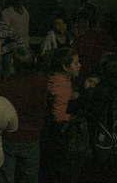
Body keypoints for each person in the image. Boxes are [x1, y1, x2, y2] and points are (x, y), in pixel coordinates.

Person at [0, 51, 47, 183]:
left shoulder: (3, 85)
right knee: (30, 177)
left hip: (9, 136)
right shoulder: (41, 83)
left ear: (12, 63)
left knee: (6, 177)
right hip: (32, 136)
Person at [45, 48, 84, 183]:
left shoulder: (55, 79)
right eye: (75, 63)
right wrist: (74, 117)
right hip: (60, 135)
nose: (79, 65)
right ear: (65, 67)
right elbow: (59, 116)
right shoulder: (62, 84)